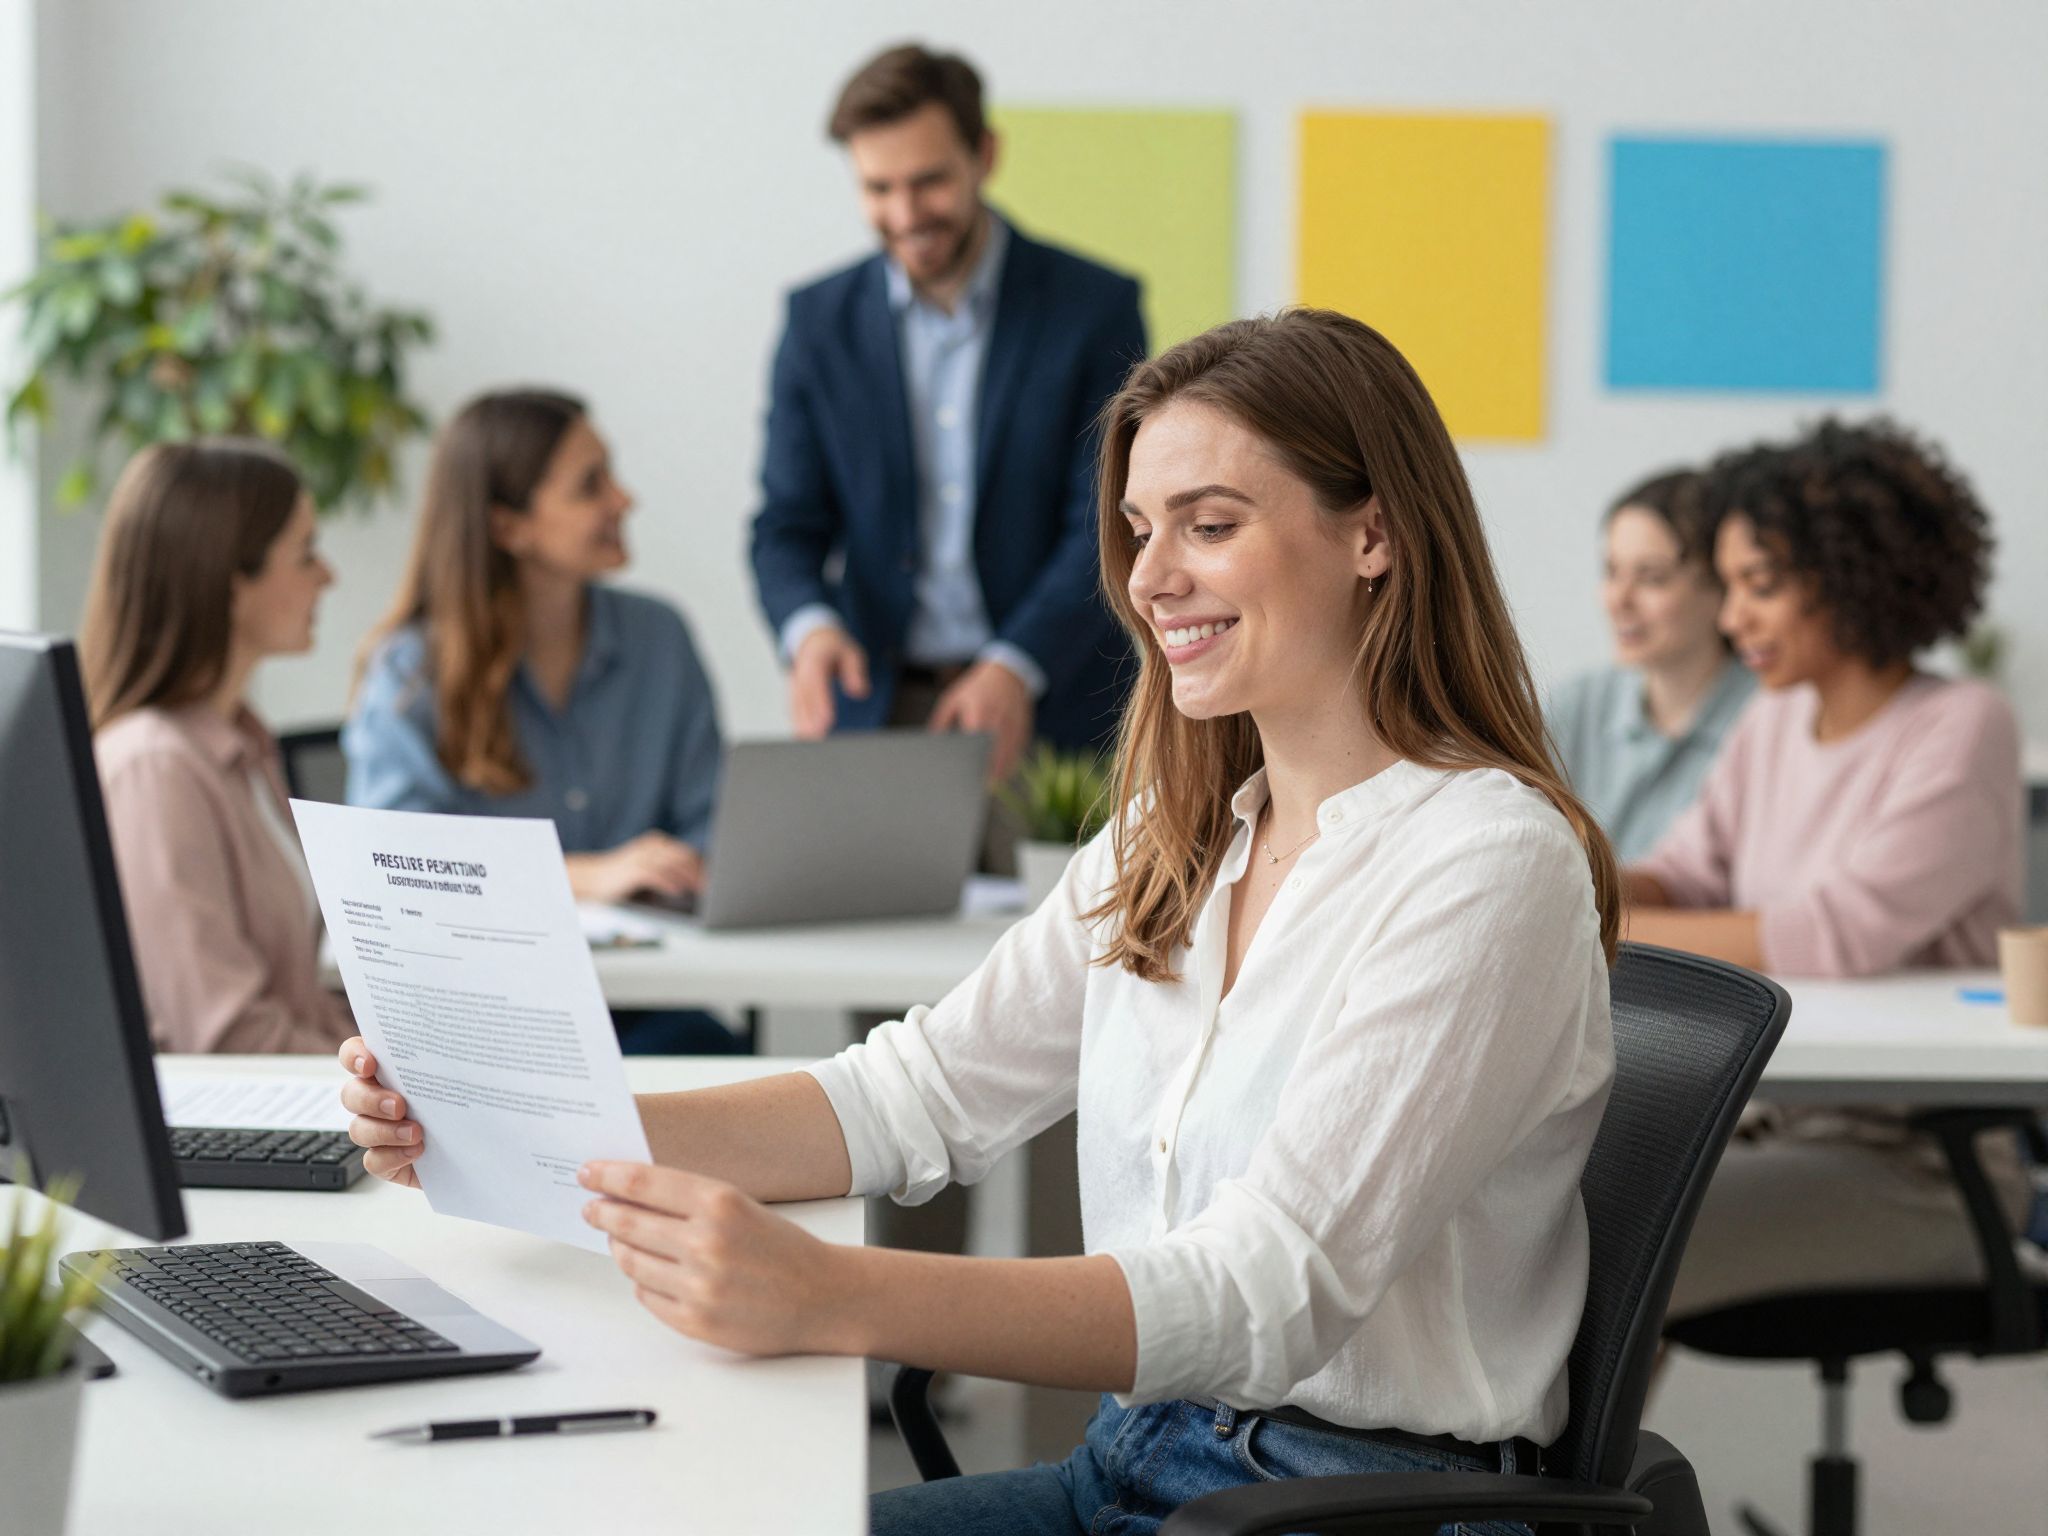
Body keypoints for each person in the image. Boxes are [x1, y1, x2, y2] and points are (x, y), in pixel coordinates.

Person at [343, 310, 1621, 1535]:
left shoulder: (1484, 863)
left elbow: (1264, 1295)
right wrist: (519, 1126)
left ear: (1373, 537)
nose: (1149, 577)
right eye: (1135, 530)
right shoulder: (1169, 836)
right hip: (1133, 1462)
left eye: (1209, 525)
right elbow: (914, 1095)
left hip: (1353, 1504)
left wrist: (832, 1295)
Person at [1621, 419, 2025, 1315]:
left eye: (1759, 586)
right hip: (1769, 1121)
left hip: (1919, 1163)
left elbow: (1836, 933)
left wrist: (1601, 926)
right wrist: (1562, 875)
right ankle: (1564, 1468)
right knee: (1553, 1219)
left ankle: (1561, 1467)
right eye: (1727, 588)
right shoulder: (1773, 723)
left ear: (1851, 576)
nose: (1732, 621)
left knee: (1606, 1260)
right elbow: (1684, 873)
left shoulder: (1961, 724)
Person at [750, 43, 1148, 789]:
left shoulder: (1094, 309)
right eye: (878, 188)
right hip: (874, 712)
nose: (905, 215)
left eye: (929, 181)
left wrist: (1014, 664)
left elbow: (1107, 520)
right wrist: (810, 629)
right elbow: (784, 526)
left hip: (1050, 708)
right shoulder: (816, 323)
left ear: (984, 156)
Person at [345, 388, 733, 1054]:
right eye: (590, 486)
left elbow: (712, 819)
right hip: (489, 1023)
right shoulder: (412, 674)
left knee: (722, 1070)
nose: (623, 500)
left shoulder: (659, 639)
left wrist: (685, 868)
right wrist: (588, 874)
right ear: (508, 527)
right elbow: (399, 872)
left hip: (648, 1001)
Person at [81, 440, 354, 1054]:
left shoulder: (243, 745)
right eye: (306, 552)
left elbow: (296, 998)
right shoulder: (155, 767)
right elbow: (226, 1033)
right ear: (231, 581)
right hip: (241, 1120)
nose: (327, 576)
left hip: (296, 1102)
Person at [1546, 468, 1755, 861]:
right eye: (1611, 572)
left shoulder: (1772, 719)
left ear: (1719, 586)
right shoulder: (1576, 706)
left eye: (1652, 578)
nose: (1619, 599)